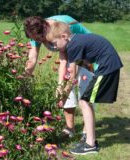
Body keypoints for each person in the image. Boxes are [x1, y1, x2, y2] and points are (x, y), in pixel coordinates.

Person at [46, 21, 123, 155]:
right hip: (109, 65)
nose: (54, 47)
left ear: (64, 36)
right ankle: (89, 140)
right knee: (85, 101)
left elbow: (72, 76)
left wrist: (63, 95)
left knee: (84, 101)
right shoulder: (75, 41)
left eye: (55, 43)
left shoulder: (73, 45)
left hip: (107, 67)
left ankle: (90, 144)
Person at [23, 15, 94, 139]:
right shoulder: (35, 30)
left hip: (88, 52)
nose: (38, 41)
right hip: (69, 53)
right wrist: (23, 79)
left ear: (45, 29)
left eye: (39, 38)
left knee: (85, 90)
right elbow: (32, 59)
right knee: (65, 90)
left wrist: (62, 86)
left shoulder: (61, 28)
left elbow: (65, 59)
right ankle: (69, 128)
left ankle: (87, 131)